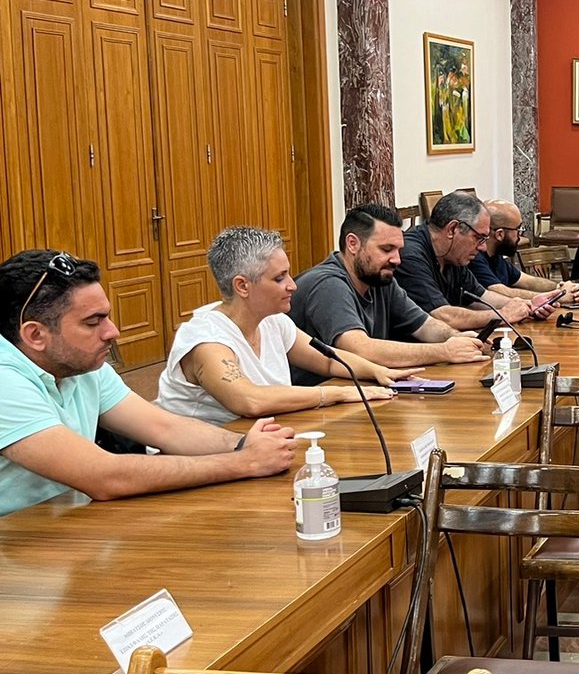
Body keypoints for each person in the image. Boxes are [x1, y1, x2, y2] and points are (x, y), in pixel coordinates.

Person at [0, 249, 297, 516]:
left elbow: (165, 428)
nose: (112, 332)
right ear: (35, 335)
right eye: (93, 322)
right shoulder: (5, 381)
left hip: (66, 526)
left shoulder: (81, 363)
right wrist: (244, 462)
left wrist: (244, 445)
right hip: (17, 546)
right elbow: (104, 476)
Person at [159, 227, 416, 426]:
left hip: (262, 441)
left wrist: (380, 372)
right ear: (242, 286)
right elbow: (250, 400)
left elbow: (328, 360)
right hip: (201, 458)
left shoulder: (273, 320)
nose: (293, 285)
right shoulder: (207, 340)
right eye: (279, 278)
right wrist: (337, 394)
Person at [289, 204, 489, 381]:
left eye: (398, 250)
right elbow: (360, 349)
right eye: (386, 249)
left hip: (360, 389)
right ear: (353, 244)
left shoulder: (380, 279)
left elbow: (424, 325)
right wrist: (444, 351)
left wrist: (457, 338)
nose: (397, 260)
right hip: (318, 400)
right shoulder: (328, 284)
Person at [395, 191, 535, 331]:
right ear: (452, 229)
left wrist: (528, 306)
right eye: (479, 238)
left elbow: (482, 296)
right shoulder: (410, 255)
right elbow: (441, 315)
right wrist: (503, 315)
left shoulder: (452, 254)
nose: (483, 247)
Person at [470, 200, 579, 313]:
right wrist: (555, 296)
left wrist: (561, 287)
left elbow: (528, 281)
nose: (520, 236)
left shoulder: (495, 256)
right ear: (500, 234)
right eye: (518, 229)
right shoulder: (473, 257)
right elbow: (498, 292)